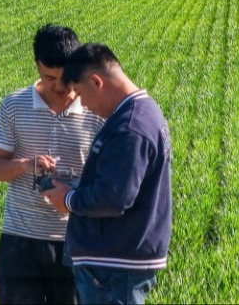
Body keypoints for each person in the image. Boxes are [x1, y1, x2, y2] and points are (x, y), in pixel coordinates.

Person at [41, 43, 172, 305]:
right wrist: (74, 186)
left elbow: (114, 197)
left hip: (114, 265)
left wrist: (68, 200)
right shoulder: (136, 115)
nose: (84, 105)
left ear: (96, 81)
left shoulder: (130, 126)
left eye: (80, 93)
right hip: (116, 261)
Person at [0, 24, 106, 304]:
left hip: (75, 241)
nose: (58, 86)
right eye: (48, 77)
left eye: (64, 77)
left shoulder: (96, 111)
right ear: (36, 66)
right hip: (20, 240)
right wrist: (26, 164)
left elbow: (107, 181)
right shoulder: (13, 106)